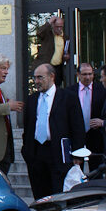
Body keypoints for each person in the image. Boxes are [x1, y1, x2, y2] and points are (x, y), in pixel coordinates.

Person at [22, 64, 86, 199]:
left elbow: (77, 127)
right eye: (35, 78)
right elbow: (27, 128)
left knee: (59, 194)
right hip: (37, 153)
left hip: (59, 153)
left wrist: (78, 154)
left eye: (40, 77)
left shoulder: (68, 97)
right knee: (40, 195)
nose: (37, 81)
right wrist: (27, 152)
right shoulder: (32, 100)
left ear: (52, 76)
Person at [65, 63, 106, 168]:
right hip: (76, 135)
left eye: (90, 74)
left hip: (96, 135)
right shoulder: (69, 92)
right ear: (78, 75)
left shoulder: (102, 90)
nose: (87, 77)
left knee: (96, 167)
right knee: (76, 169)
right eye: (84, 74)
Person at [32, 15, 69, 84]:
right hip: (46, 66)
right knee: (44, 86)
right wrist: (49, 22)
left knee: (57, 88)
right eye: (57, 27)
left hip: (58, 68)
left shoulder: (65, 37)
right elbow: (39, 33)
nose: (59, 29)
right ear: (52, 26)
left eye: (61, 27)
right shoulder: (47, 35)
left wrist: (66, 57)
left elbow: (67, 51)